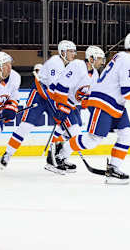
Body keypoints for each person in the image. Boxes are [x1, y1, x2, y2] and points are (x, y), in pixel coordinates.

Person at [55, 33, 130, 184]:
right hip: (105, 102)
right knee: (93, 140)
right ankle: (62, 152)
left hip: (115, 103)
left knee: (126, 134)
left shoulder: (119, 56)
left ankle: (113, 168)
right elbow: (128, 92)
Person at [0, 40, 77, 169]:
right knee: (26, 126)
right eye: (71, 51)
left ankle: (56, 157)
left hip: (53, 97)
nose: (73, 54)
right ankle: (8, 153)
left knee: (65, 127)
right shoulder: (55, 63)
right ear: (63, 52)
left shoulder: (69, 66)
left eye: (74, 51)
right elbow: (52, 88)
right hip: (39, 96)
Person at [44, 46, 105, 174]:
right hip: (61, 100)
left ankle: (59, 157)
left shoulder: (94, 74)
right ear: (91, 58)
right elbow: (62, 86)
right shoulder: (78, 65)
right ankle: (55, 158)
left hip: (72, 105)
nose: (101, 62)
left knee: (66, 131)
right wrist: (61, 106)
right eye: (99, 58)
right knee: (75, 134)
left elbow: (88, 96)